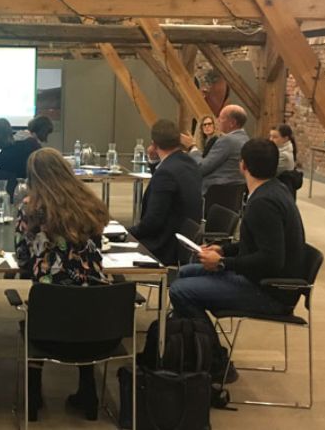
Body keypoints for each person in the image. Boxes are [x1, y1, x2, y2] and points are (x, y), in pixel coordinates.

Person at [170, 139, 306, 380]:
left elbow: (271, 259)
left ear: (242, 165)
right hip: (265, 279)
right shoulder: (272, 191)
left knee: (181, 290)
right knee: (185, 273)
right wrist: (223, 250)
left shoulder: (263, 202)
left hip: (269, 290)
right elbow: (256, 245)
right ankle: (193, 350)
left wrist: (222, 264)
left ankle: (216, 361)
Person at [15, 148, 110, 421]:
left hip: (49, 315)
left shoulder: (30, 207)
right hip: (98, 317)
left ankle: (33, 397)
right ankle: (88, 392)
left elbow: (22, 257)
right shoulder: (90, 204)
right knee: (81, 304)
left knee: (42, 312)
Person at [129, 119, 202, 266]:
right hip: (183, 244)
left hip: (163, 246)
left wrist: (126, 234)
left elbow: (152, 222)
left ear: (154, 145)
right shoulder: (189, 163)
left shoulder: (166, 173)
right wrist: (153, 161)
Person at [182, 104, 249, 194]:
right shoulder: (245, 139)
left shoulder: (227, 140)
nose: (217, 121)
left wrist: (192, 147)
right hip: (232, 194)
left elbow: (202, 168)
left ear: (232, 123)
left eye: (221, 118)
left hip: (214, 193)